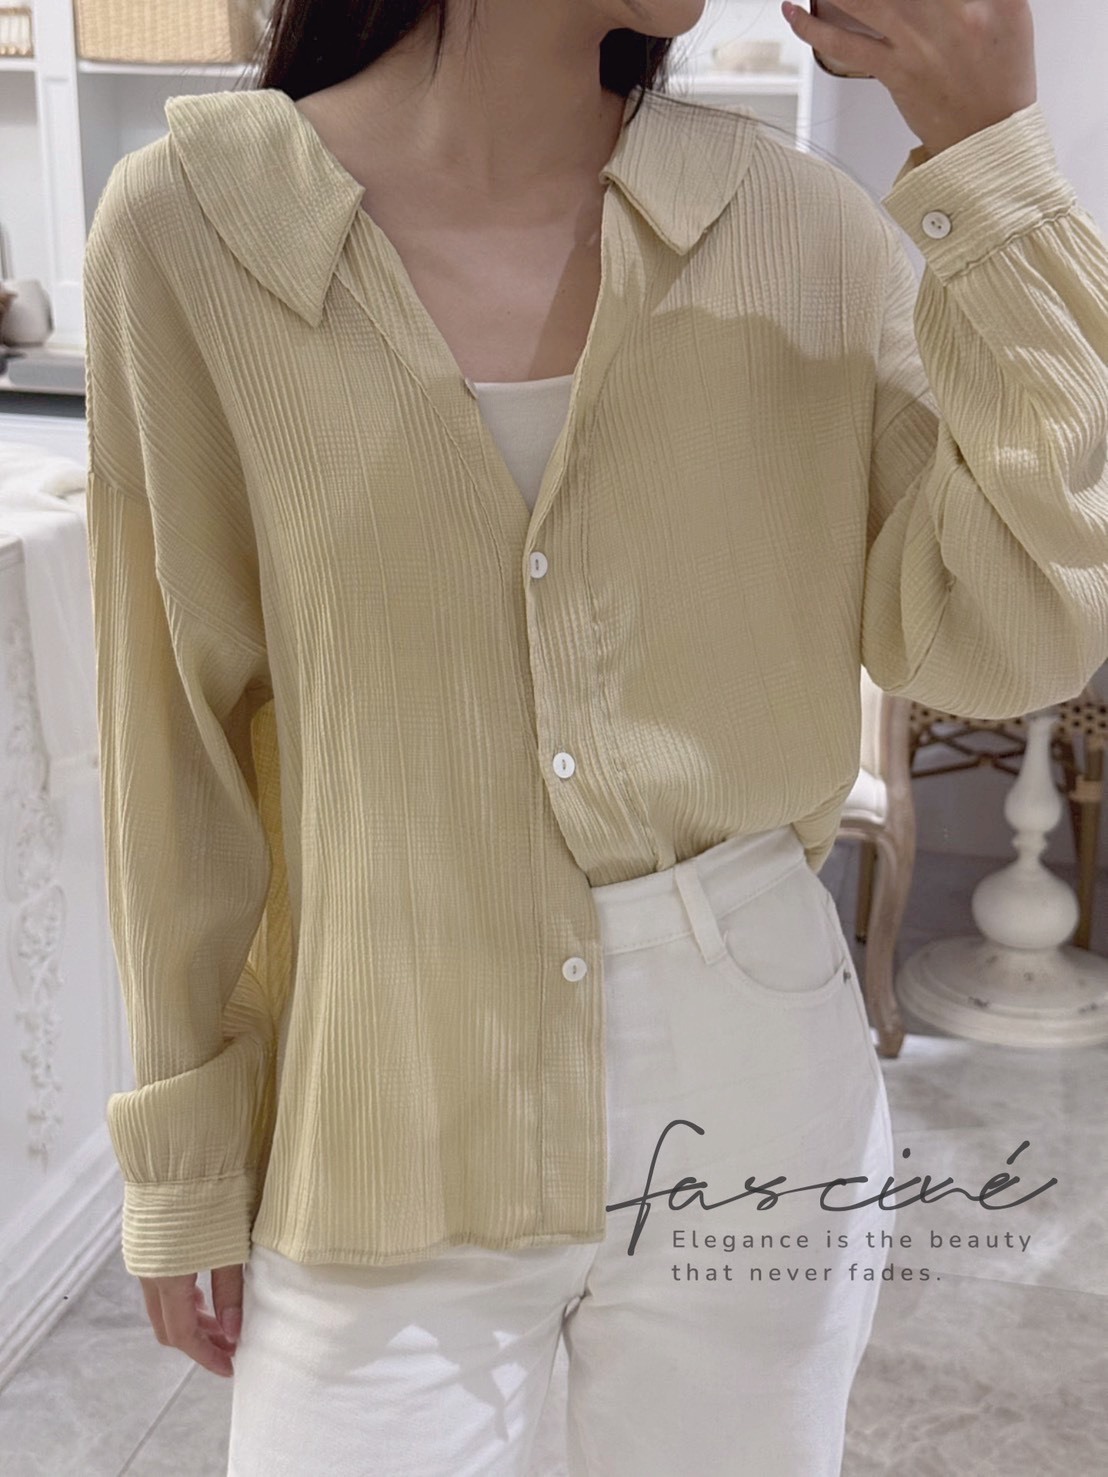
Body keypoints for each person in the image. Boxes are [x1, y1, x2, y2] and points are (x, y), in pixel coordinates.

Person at [81, 1, 1107, 1473]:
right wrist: (182, 1148)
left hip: (753, 1080)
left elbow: (1016, 636)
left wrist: (993, 159)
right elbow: (173, 741)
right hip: (383, 1082)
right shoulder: (192, 229)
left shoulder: (802, 231)